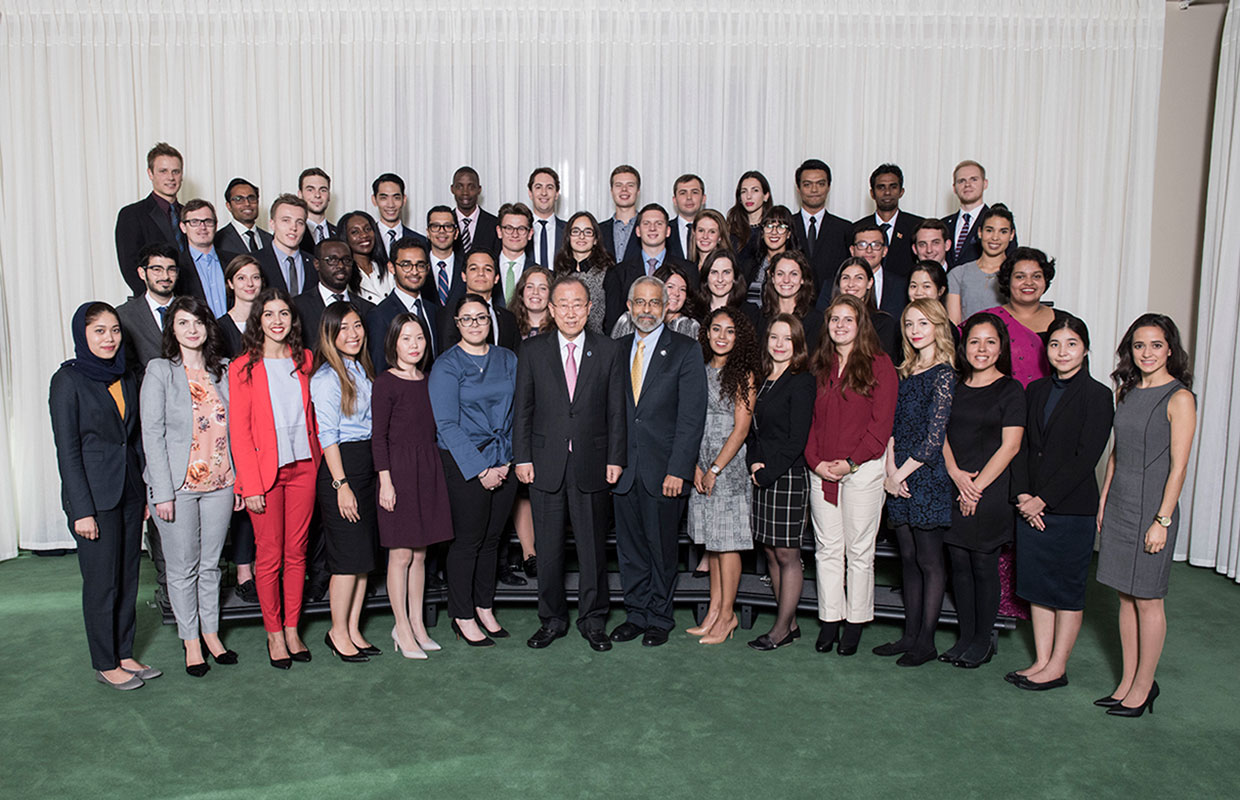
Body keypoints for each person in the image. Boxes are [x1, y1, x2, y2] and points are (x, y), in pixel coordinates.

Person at [50, 302, 160, 690]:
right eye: (99, 331)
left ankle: (124, 653)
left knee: (128, 577)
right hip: (93, 499)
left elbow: (134, 438)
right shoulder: (68, 380)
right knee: (102, 582)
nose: (109, 338)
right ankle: (104, 661)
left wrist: (145, 491)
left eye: (114, 330)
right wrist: (81, 510)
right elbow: (67, 451)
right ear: (83, 334)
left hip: (129, 490)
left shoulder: (125, 375)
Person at [514, 276, 626, 651]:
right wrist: (522, 457)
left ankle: (593, 620)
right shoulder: (532, 351)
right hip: (545, 464)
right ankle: (552, 619)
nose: (571, 312)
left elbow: (616, 410)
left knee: (592, 549)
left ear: (590, 308)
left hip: (593, 463)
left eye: (578, 304)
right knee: (547, 549)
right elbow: (523, 411)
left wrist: (615, 458)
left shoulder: (608, 351)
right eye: (562, 304)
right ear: (550, 309)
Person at [1095, 314, 1195, 716]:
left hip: (1154, 507)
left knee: (1148, 599)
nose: (1147, 352)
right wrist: (1104, 500)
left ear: (1170, 348)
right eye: (1139, 345)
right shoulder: (1128, 391)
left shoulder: (1180, 397)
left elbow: (1179, 466)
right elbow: (1117, 453)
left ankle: (1145, 686)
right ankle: (1127, 681)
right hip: (1121, 502)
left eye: (1156, 344)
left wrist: (1163, 519)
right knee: (1125, 595)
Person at [1008, 315, 1113, 691]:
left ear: (1084, 349)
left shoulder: (1098, 395)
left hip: (1070, 509)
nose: (1062, 352)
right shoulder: (1034, 391)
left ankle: (1058, 666)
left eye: (1071, 344)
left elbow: (1086, 458)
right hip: (1029, 506)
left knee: (1066, 590)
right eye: (1055, 344)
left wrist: (1043, 501)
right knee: (1037, 587)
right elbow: (1019, 449)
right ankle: (1040, 660)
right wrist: (1023, 496)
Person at [140, 296, 241, 677]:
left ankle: (213, 634)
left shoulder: (224, 371)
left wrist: (238, 478)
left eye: (198, 322)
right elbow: (151, 433)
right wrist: (161, 492)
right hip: (178, 487)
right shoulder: (160, 371)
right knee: (182, 568)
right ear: (173, 330)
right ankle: (192, 641)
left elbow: (237, 428)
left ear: (207, 327)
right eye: (183, 323)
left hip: (220, 482)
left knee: (212, 565)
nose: (192, 329)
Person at [610, 276, 708, 647]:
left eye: (654, 303)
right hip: (622, 470)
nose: (646, 310)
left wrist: (678, 469)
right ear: (630, 307)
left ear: (666, 307)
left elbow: (691, 415)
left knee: (662, 549)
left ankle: (659, 618)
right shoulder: (615, 349)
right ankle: (635, 614)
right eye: (640, 302)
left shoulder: (685, 349)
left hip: (664, 470)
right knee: (629, 550)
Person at [228, 288, 321, 668]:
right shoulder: (242, 367)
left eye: (284, 313)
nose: (278, 321)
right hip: (265, 475)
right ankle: (274, 633)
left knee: (297, 555)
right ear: (258, 320)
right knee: (269, 557)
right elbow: (240, 431)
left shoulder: (306, 360)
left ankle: (293, 626)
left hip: (304, 468)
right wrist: (248, 485)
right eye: (269, 314)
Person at [804, 295, 898, 656]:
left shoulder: (880, 365)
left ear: (861, 325)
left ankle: (855, 621)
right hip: (822, 470)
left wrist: (851, 463)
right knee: (828, 550)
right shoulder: (821, 364)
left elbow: (881, 426)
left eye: (848, 319)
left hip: (862, 471)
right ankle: (830, 619)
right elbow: (811, 422)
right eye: (834, 320)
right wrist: (815, 462)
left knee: (859, 551)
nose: (840, 325)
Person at [428, 294, 520, 646]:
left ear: (490, 321)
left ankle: (484, 607)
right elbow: (447, 425)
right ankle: (462, 614)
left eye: (480, 318)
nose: (475, 325)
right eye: (467, 319)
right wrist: (482, 470)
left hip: (505, 460)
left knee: (492, 541)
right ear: (457, 324)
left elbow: (518, 413)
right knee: (468, 541)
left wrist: (508, 461)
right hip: (466, 463)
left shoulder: (507, 358)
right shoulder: (447, 365)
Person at [941, 312, 1025, 668]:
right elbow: (940, 433)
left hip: (989, 489)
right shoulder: (954, 385)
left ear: (1001, 347)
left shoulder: (1011, 389)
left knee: (982, 564)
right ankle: (965, 636)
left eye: (990, 342)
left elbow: (1010, 446)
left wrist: (974, 487)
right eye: (974, 341)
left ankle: (982, 640)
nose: (982, 348)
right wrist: (956, 474)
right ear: (964, 346)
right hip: (955, 483)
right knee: (958, 562)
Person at [875, 298, 957, 665]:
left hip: (926, 477)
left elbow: (933, 438)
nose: (914, 331)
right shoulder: (904, 370)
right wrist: (890, 472)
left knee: (928, 560)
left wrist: (901, 475)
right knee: (906, 557)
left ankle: (926, 640)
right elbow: (892, 428)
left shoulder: (943, 374)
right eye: (909, 324)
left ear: (938, 326)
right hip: (898, 475)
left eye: (923, 323)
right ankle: (909, 635)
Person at [372, 313, 454, 658]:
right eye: (406, 338)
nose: (414, 345)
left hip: (427, 468)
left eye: (419, 338)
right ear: (393, 343)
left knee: (421, 554)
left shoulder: (430, 380)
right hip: (399, 471)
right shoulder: (385, 382)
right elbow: (379, 438)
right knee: (401, 554)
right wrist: (386, 483)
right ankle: (401, 627)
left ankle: (418, 625)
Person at [310, 302, 381, 663]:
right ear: (330, 335)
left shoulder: (361, 370)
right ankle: (336, 631)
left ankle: (353, 628)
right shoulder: (326, 379)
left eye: (357, 326)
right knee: (346, 560)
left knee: (364, 557)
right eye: (344, 329)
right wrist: (342, 485)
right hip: (343, 469)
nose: (353, 334)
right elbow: (328, 436)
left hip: (366, 464)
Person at [688, 306, 759, 644]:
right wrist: (696, 467)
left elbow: (742, 429)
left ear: (739, 337)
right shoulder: (698, 370)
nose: (721, 336)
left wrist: (715, 467)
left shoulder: (743, 374)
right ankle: (714, 611)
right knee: (713, 544)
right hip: (701, 464)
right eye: (716, 329)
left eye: (730, 331)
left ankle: (728, 615)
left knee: (728, 544)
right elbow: (688, 421)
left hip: (728, 469)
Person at [746, 314, 815, 650]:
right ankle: (791, 621)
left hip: (787, 475)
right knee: (771, 552)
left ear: (798, 344)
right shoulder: (764, 378)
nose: (779, 344)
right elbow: (753, 430)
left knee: (787, 553)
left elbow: (796, 439)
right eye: (774, 337)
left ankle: (781, 629)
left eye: (787, 339)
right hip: (763, 473)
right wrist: (753, 463)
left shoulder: (801, 380)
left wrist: (767, 471)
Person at [981, 247, 1068, 388]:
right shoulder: (989, 321)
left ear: (1045, 280)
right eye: (1020, 276)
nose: (1029, 282)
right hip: (998, 404)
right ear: (1008, 281)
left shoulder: (1064, 322)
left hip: (1053, 404)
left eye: (1037, 276)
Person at [606, 203, 700, 330]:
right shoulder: (619, 272)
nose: (652, 228)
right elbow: (613, 323)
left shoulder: (688, 270)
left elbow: (695, 314)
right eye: (646, 223)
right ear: (638, 231)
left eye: (659, 223)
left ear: (668, 231)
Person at [115, 142, 184, 296]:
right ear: (150, 174)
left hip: (191, 302)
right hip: (155, 302)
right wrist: (156, 301)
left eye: (176, 171)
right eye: (163, 171)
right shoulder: (132, 214)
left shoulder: (190, 215)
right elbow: (130, 267)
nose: (171, 178)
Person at [367, 238, 440, 371]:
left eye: (420, 265)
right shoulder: (379, 315)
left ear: (428, 268)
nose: (414, 271)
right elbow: (379, 369)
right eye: (406, 265)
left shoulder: (434, 310)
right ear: (392, 268)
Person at [295, 239, 376, 352]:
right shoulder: (297, 306)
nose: (341, 266)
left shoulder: (368, 309)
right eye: (332, 260)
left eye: (346, 260)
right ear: (317, 264)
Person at [945, 203, 1015, 325]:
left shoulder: (1016, 274)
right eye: (989, 230)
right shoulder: (958, 274)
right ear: (980, 232)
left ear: (1011, 235)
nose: (995, 237)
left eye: (1003, 232)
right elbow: (955, 325)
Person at [116, 243, 180, 372]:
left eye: (171, 269)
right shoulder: (125, 315)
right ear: (142, 273)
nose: (165, 276)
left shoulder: (193, 310)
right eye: (157, 269)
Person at [438, 251, 519, 351]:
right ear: (464, 276)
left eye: (488, 269)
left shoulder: (508, 318)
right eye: (473, 269)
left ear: (496, 278)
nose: (481, 273)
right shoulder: (448, 314)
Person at [790, 159, 852, 292]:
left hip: (832, 303)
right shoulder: (787, 225)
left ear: (829, 187)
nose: (814, 189)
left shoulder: (844, 229)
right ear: (798, 188)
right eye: (807, 184)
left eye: (820, 184)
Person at [942, 160, 1016, 269]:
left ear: (985, 184)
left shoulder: (1000, 221)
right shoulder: (943, 224)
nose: (967, 184)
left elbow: (1011, 260)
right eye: (961, 181)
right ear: (954, 188)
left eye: (974, 179)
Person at [856, 164, 923, 281]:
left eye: (893, 187)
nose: (887, 192)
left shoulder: (917, 226)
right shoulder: (857, 228)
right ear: (872, 193)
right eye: (881, 187)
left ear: (901, 191)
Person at [552, 211, 613, 334]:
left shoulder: (609, 272)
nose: (581, 236)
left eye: (588, 232)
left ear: (595, 239)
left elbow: (612, 318)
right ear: (568, 238)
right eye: (575, 231)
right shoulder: (559, 271)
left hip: (599, 344)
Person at [177, 199, 237, 319]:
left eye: (208, 221)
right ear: (183, 227)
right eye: (194, 222)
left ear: (215, 226)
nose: (202, 227)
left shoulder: (234, 261)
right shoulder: (177, 265)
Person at [831, 257, 899, 361]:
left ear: (869, 283)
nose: (851, 284)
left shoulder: (883, 323)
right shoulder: (829, 321)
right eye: (845, 278)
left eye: (859, 278)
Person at [610, 262, 700, 340]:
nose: (676, 293)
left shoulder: (690, 326)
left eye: (682, 289)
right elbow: (614, 352)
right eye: (670, 287)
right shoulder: (629, 318)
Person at [759, 250, 821, 350]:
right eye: (780, 274)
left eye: (794, 274)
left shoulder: (815, 320)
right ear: (773, 278)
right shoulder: (761, 317)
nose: (786, 280)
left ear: (803, 279)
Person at [255, 194, 313, 296]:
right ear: (272, 224)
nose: (293, 227)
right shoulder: (255, 262)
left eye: (300, 222)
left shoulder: (314, 264)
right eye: (286, 220)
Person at [743, 205, 799, 306]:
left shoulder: (798, 265)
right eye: (769, 226)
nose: (774, 232)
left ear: (789, 234)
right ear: (762, 233)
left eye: (781, 227)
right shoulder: (751, 265)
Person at [371, 172, 428, 266]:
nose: (391, 205)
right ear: (374, 200)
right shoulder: (365, 240)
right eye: (384, 198)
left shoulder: (421, 241)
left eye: (396, 198)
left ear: (404, 200)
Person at [696, 249, 761, 331]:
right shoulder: (694, 312)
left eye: (726, 272)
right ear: (706, 277)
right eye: (714, 272)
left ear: (735, 277)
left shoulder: (750, 312)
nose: (720, 279)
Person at [336, 210, 386, 304]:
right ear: (345, 237)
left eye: (368, 229)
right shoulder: (344, 274)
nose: (364, 235)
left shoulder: (388, 269)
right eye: (355, 232)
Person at [724, 170, 772, 267]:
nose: (749, 196)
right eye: (744, 191)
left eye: (755, 190)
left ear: (766, 196)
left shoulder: (773, 230)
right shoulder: (731, 230)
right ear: (740, 198)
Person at [495, 202, 538, 305]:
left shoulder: (541, 274)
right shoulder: (486, 270)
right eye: (509, 228)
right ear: (499, 231)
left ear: (530, 234)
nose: (515, 234)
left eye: (521, 229)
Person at [215, 178, 272, 255]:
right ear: (229, 206)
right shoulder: (218, 240)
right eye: (239, 199)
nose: (247, 203)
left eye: (251, 198)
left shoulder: (271, 240)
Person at [450, 166, 499, 255]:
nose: (465, 192)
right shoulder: (444, 224)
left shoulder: (494, 225)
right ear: (452, 189)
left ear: (479, 190)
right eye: (460, 187)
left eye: (471, 187)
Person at [599, 164, 642, 262]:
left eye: (630, 185)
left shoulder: (650, 229)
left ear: (638, 191)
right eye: (618, 185)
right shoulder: (599, 231)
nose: (624, 189)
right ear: (611, 191)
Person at [425, 205, 465, 306]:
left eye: (448, 226)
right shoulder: (418, 267)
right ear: (428, 233)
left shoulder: (467, 266)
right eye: (435, 226)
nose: (442, 231)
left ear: (456, 233)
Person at [527, 167, 567, 266]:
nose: (544, 193)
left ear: (557, 194)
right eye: (538, 187)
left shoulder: (568, 230)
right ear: (530, 193)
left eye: (549, 187)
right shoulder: (519, 231)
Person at [668, 174, 706, 260]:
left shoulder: (716, 231)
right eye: (683, 193)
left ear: (703, 199)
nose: (689, 197)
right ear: (675, 200)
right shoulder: (665, 231)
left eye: (694, 192)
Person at [298, 167, 336, 251]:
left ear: (329, 196)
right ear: (300, 195)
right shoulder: (293, 233)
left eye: (323, 190)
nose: (317, 195)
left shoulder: (340, 233)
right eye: (310, 190)